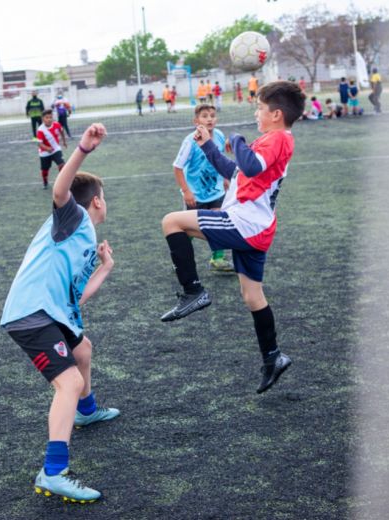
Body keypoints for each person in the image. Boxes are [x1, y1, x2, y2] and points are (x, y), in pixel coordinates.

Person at [159, 81, 306, 394]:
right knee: (252, 297)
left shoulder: (277, 138)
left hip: (244, 223)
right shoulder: (273, 139)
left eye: (260, 108)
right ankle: (273, 357)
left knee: (172, 221)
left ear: (276, 114)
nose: (256, 113)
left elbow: (249, 165)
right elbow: (236, 171)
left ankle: (193, 291)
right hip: (256, 226)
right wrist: (208, 145)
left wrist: (237, 139)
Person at [1, 122, 118, 504]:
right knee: (66, 382)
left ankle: (85, 412)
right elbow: (60, 190)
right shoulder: (75, 219)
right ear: (97, 201)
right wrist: (83, 149)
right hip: (31, 313)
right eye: (105, 196)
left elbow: (75, 298)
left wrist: (103, 270)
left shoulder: (85, 241)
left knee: (83, 349)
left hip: (53, 313)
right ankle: (53, 472)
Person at [172, 104, 233, 273]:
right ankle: (180, 259)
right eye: (205, 116)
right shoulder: (190, 141)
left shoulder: (219, 135)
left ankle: (218, 259)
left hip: (216, 191)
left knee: (218, 224)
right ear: (196, 121)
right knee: (189, 230)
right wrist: (186, 191)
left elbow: (220, 158)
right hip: (195, 194)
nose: (209, 119)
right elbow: (177, 167)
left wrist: (226, 177)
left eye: (212, 115)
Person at [36, 109, 67, 189]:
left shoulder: (57, 124)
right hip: (44, 153)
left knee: (62, 165)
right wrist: (47, 148)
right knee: (45, 170)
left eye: (50, 117)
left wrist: (64, 141)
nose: (49, 119)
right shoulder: (40, 130)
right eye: (47, 117)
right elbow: (39, 144)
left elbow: (62, 131)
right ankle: (45, 182)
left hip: (56, 149)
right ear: (43, 119)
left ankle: (62, 181)